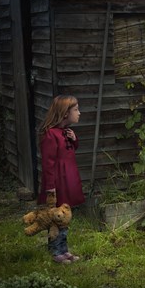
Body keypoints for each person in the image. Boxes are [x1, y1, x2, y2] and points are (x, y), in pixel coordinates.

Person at [37, 95, 85, 264]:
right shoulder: (51, 135)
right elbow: (48, 164)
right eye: (76, 109)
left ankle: (64, 250)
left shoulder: (66, 132)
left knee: (65, 217)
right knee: (56, 217)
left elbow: (70, 149)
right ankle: (56, 251)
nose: (79, 113)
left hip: (68, 179)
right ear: (65, 114)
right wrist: (50, 188)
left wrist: (74, 139)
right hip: (58, 182)